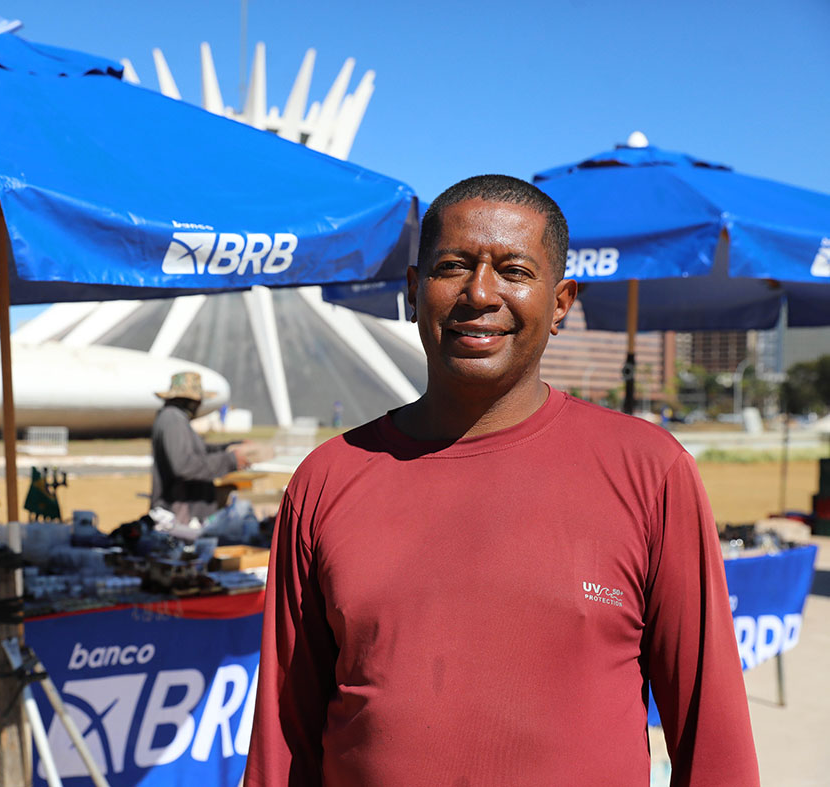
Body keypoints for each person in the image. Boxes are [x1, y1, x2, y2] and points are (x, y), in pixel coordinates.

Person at [248, 175, 758, 785]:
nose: (480, 293)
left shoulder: (649, 471)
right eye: (453, 266)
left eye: (514, 270)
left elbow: (712, 736)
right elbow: (285, 737)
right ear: (414, 292)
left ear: (561, 302)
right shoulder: (327, 480)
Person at [150, 370, 251, 523]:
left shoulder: (176, 418)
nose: (199, 405)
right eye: (198, 401)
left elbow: (199, 450)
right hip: (179, 516)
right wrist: (230, 460)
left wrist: (231, 446)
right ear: (190, 401)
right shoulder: (172, 419)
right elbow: (184, 465)